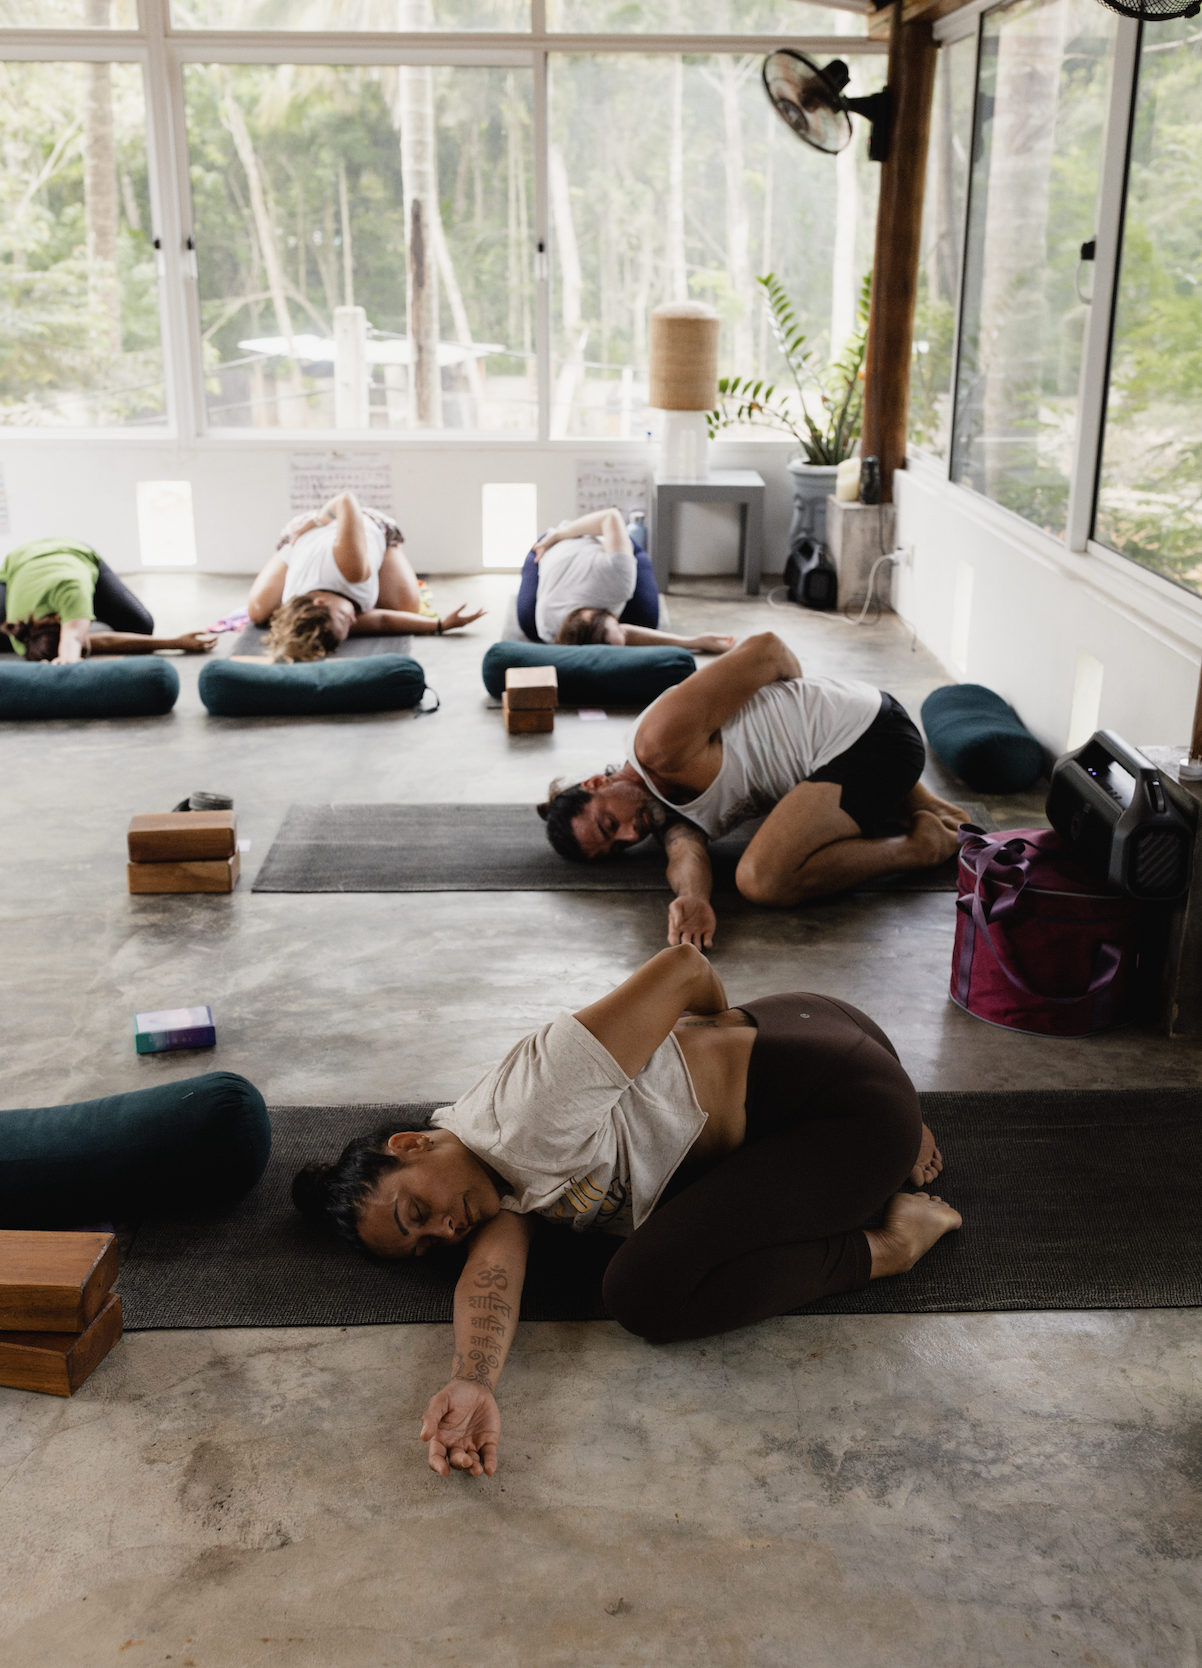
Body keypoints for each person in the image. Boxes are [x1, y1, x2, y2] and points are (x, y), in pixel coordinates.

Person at [291, 944, 961, 1479]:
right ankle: (891, 1128)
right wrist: (473, 1383)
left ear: (409, 1144)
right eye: (426, 1245)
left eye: (417, 1211)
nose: (445, 1230)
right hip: (824, 1030)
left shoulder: (529, 1108)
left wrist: (721, 1039)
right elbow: (489, 1278)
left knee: (643, 1291)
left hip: (837, 1101)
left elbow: (684, 967)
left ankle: (890, 1245)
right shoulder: (484, 1174)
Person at [537, 631, 967, 946]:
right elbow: (685, 854)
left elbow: (767, 649)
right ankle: (916, 803)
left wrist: (799, 698)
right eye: (619, 847)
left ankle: (919, 847)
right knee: (777, 840)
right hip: (843, 761)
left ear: (597, 783)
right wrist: (693, 899)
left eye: (611, 824)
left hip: (873, 734)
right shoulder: (665, 813)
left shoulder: (657, 743)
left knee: (761, 879)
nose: (632, 836)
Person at [247, 489, 485, 663]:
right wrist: (441, 625)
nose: (352, 622)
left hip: (357, 523)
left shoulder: (350, 569)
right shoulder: (324, 614)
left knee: (406, 606)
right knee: (260, 613)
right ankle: (300, 546)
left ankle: (383, 550)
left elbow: (346, 499)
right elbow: (382, 621)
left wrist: (316, 520)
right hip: (308, 546)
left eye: (343, 619)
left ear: (320, 601)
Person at [0, 537, 216, 664]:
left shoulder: (72, 592)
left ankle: (89, 613)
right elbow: (91, 641)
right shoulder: (21, 640)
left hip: (72, 552)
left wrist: (174, 643)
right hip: (19, 563)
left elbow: (73, 639)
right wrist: (174, 643)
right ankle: (86, 620)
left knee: (140, 625)